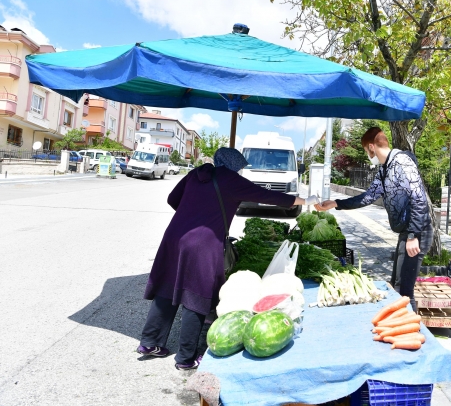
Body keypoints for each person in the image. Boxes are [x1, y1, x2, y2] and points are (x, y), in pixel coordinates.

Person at [137, 147, 319, 370]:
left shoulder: (196, 174)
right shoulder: (232, 181)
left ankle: (150, 343)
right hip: (203, 243)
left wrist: (192, 214)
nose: (241, 171)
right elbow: (269, 196)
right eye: (240, 167)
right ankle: (185, 358)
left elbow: (172, 199)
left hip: (174, 236)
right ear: (234, 165)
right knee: (195, 296)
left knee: (166, 288)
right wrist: (306, 200)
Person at [315, 127, 432, 312]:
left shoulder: (402, 161)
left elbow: (419, 198)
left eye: (365, 151)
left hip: (418, 232)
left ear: (371, 147)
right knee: (397, 285)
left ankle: (414, 334)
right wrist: (336, 203)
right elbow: (367, 197)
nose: (367, 155)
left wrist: (413, 236)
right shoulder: (384, 170)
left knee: (405, 292)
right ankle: (400, 330)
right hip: (406, 233)